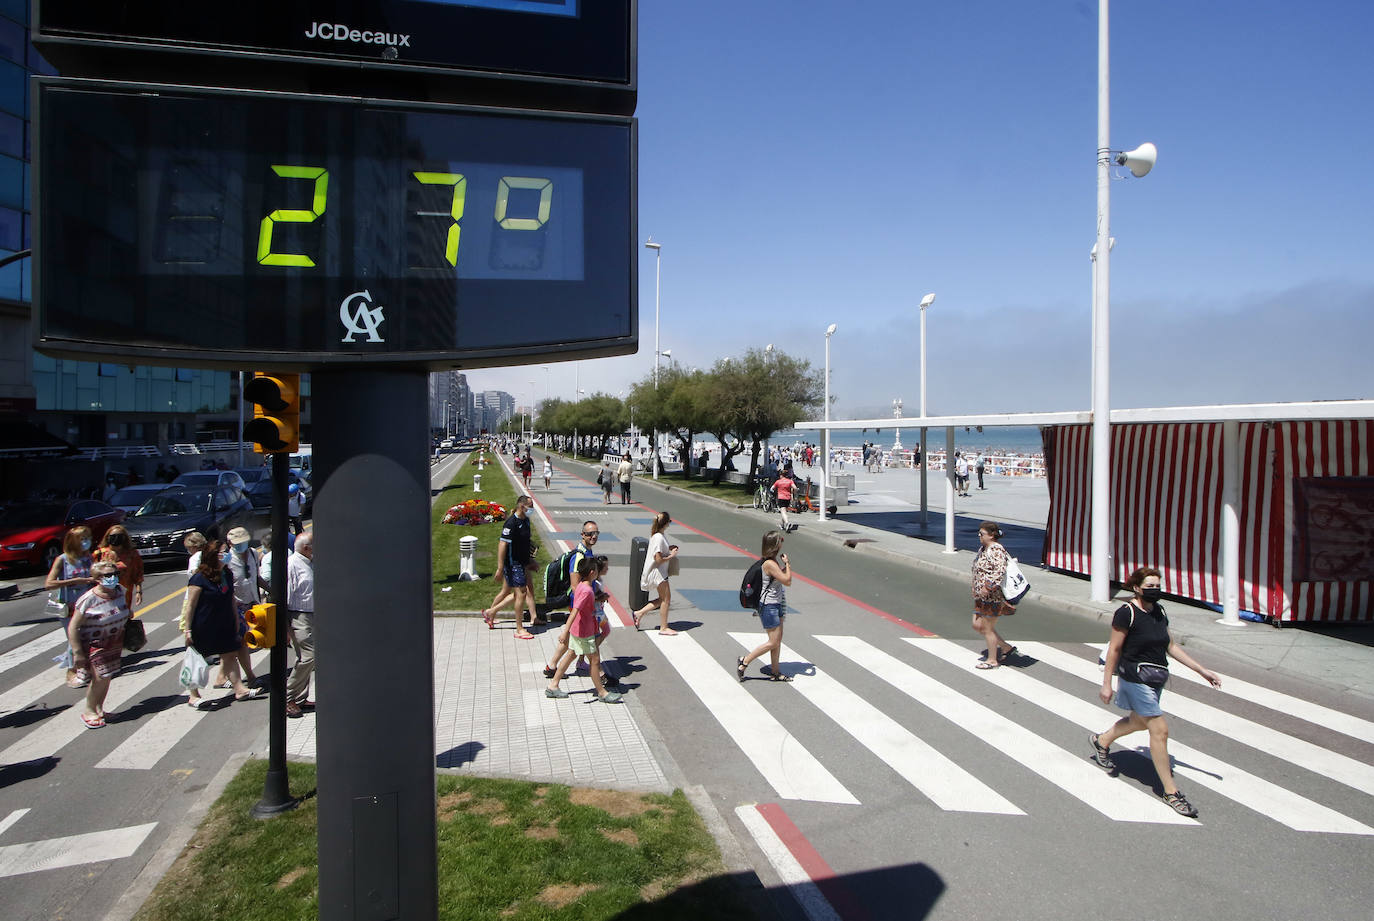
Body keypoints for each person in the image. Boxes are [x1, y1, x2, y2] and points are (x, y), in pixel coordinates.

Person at [1090, 567, 1222, 818]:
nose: (1155, 590)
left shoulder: (1159, 611)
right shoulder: (1125, 613)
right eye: (1149, 586)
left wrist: (1202, 670)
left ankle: (1101, 741)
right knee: (1159, 730)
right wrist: (1107, 683)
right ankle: (1171, 792)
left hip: (1155, 677)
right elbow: (1114, 650)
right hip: (1134, 676)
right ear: (1136, 588)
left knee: (1139, 721)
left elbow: (1170, 645)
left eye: (1157, 585)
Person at [184, 539, 262, 709]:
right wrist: (187, 629)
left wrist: (236, 619)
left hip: (225, 622)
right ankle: (193, 695)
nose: (227, 554)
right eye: (223, 551)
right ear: (213, 555)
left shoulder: (226, 574)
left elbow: (231, 599)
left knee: (229, 655)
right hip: (204, 625)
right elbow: (190, 605)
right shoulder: (199, 578)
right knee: (199, 659)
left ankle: (240, 689)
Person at [545, 557, 623, 703]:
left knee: (571, 654)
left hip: (580, 629)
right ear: (592, 572)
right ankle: (602, 692)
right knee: (594, 660)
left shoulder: (581, 585)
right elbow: (575, 610)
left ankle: (553, 685)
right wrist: (565, 632)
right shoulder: (587, 590)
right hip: (584, 631)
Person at [68, 560, 132, 728]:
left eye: (116, 574)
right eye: (108, 575)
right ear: (97, 578)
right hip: (95, 643)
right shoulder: (88, 599)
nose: (113, 578)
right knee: (100, 677)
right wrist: (77, 653)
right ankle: (89, 711)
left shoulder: (120, 590)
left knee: (107, 676)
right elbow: (73, 626)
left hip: (114, 641)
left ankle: (99, 709)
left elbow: (123, 609)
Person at [542, 522, 603, 679]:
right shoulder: (578, 557)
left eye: (596, 533)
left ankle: (560, 665)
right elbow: (576, 587)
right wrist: (590, 601)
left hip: (584, 604)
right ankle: (555, 667)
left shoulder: (588, 552)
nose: (593, 536)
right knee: (574, 638)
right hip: (579, 605)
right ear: (582, 535)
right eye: (590, 534)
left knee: (576, 637)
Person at [736, 530, 794, 682]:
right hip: (769, 606)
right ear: (775, 545)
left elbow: (776, 579)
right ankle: (745, 661)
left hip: (776, 603)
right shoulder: (769, 563)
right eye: (780, 540)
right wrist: (787, 564)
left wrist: (781, 569)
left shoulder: (771, 561)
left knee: (776, 640)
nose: (782, 542)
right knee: (773, 641)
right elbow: (787, 581)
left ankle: (775, 672)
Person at [46, 525, 96, 688]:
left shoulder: (88, 558)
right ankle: (72, 670)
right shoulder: (63, 559)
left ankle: (85, 668)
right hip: (69, 606)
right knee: (73, 639)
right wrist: (75, 581)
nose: (86, 542)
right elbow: (49, 584)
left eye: (87, 538)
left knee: (86, 637)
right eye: (82, 539)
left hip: (88, 604)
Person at [969, 521, 1017, 669]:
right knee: (977, 625)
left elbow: (999, 571)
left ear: (991, 535)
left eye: (981, 534)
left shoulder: (997, 550)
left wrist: (988, 587)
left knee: (987, 629)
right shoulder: (984, 549)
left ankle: (992, 660)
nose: (979, 536)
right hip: (981, 596)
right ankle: (1006, 647)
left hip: (992, 597)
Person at [220, 526, 264, 688]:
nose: (240, 545)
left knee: (242, 643)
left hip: (252, 604)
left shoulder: (252, 553)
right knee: (240, 644)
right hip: (235, 606)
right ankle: (248, 676)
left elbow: (256, 578)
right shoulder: (226, 560)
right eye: (237, 543)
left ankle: (223, 676)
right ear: (230, 543)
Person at [488, 496, 535, 639]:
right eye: (530, 506)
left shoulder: (526, 521)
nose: (532, 509)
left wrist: (531, 561)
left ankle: (491, 612)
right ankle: (519, 628)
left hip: (522, 562)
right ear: (522, 506)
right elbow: (502, 545)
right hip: (513, 563)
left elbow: (525, 543)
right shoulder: (511, 523)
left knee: (518, 594)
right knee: (521, 593)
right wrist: (500, 567)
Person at [285, 531, 316, 717]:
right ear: (306, 548)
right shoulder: (292, 565)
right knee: (309, 656)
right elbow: (285, 596)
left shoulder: (310, 563)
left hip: (313, 615)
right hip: (299, 616)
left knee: (305, 657)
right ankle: (288, 696)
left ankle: (300, 698)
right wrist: (286, 627)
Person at [632, 511, 678, 635]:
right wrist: (671, 555)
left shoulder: (657, 535)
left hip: (659, 572)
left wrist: (669, 549)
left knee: (663, 598)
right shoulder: (658, 537)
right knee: (666, 600)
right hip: (658, 573)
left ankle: (639, 613)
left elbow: (659, 552)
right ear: (666, 523)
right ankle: (663, 627)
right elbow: (658, 559)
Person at [94, 524, 144, 613]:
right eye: (113, 536)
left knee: (122, 617)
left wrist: (138, 592)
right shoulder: (99, 554)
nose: (116, 538)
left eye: (119, 536)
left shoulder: (132, 554)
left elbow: (137, 574)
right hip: (104, 593)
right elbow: (93, 573)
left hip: (125, 593)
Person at [770, 468, 795, 533]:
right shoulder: (790, 481)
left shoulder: (778, 481)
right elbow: (794, 487)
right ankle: (782, 524)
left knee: (783, 512)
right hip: (788, 498)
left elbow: (772, 488)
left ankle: (787, 523)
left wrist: (773, 492)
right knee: (784, 511)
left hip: (781, 498)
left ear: (781, 475)